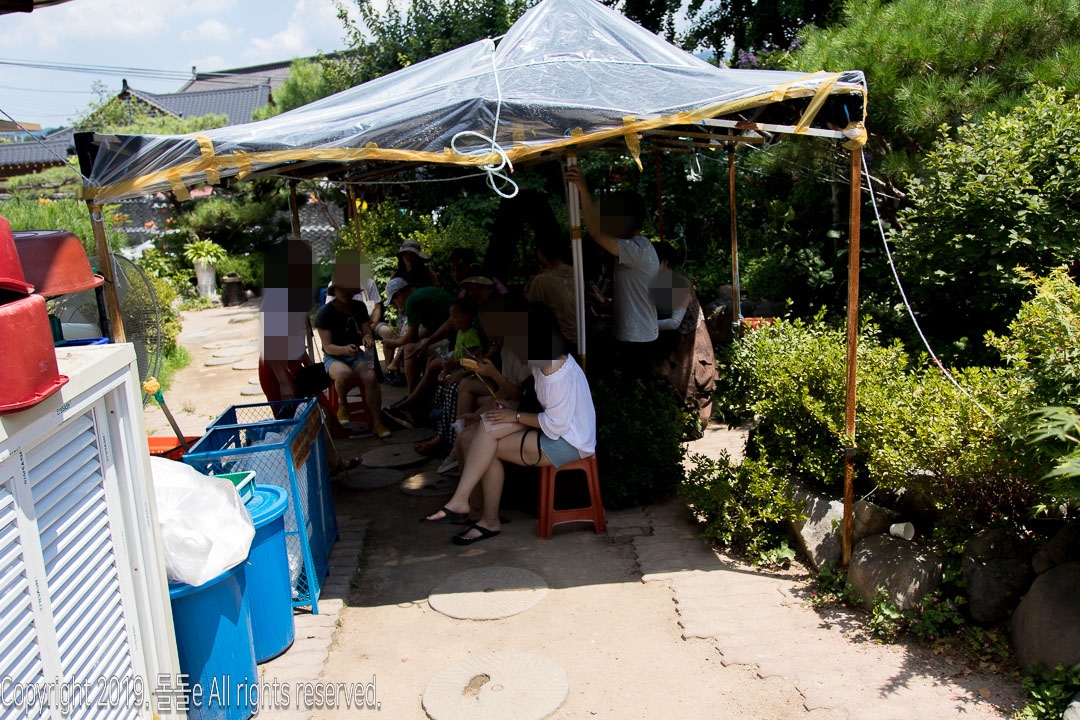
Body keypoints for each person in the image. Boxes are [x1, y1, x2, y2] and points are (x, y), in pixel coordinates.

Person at [422, 304, 596, 546]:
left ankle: (483, 517)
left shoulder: (554, 370)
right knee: (488, 426)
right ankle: (464, 503)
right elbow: (542, 408)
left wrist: (515, 416)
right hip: (555, 429)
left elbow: (556, 425)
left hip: (570, 442)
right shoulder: (541, 362)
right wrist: (511, 411)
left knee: (489, 446)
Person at [566, 166, 659, 373]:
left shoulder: (636, 250)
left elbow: (594, 232)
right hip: (638, 334)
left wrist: (583, 189)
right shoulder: (638, 248)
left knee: (629, 385)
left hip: (637, 339)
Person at [650, 242, 717, 432]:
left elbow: (674, 322)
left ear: (663, 262)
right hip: (674, 346)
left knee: (689, 391)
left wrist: (645, 325)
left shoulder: (680, 284)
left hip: (690, 345)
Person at [314, 281, 392, 439]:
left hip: (356, 354)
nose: (346, 292)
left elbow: (366, 331)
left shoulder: (359, 307)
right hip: (333, 356)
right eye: (342, 289)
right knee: (344, 374)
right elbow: (328, 347)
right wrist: (344, 349)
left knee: (370, 376)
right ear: (334, 291)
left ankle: (377, 422)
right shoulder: (324, 313)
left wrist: (367, 338)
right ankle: (343, 404)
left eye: (349, 289)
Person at [381, 276, 455, 404]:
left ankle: (412, 398)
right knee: (416, 348)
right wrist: (401, 339)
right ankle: (419, 396)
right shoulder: (424, 292)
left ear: (399, 295)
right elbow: (428, 329)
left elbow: (412, 337)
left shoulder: (411, 301)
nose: (395, 307)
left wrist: (395, 343)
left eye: (393, 302)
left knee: (409, 349)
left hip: (455, 338)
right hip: (452, 334)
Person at [525, 234, 577, 352]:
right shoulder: (576, 272)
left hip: (560, 340)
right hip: (580, 335)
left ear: (541, 253)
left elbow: (529, 306)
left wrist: (530, 284)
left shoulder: (542, 280)